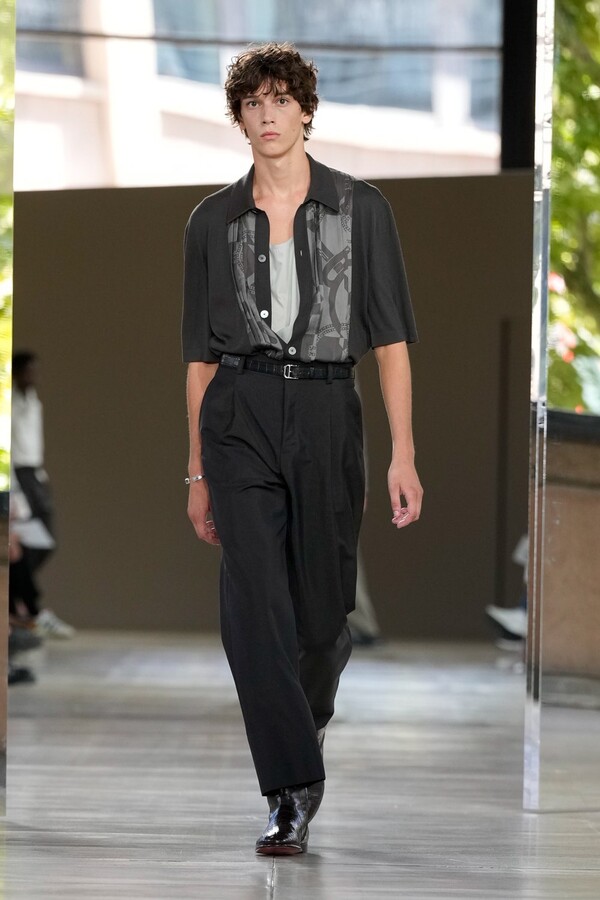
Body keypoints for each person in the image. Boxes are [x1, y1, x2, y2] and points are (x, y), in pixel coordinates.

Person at [182, 42, 422, 855]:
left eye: (281, 100)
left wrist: (402, 454)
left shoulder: (362, 208)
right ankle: (288, 789)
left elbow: (391, 341)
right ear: (239, 118)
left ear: (307, 111)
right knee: (253, 604)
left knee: (322, 621)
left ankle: (302, 730)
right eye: (253, 103)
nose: (268, 116)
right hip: (238, 413)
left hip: (326, 411)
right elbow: (198, 358)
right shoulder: (211, 222)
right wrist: (196, 471)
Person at [11, 351, 75, 639]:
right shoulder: (9, 402)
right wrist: (16, 490)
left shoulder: (32, 400)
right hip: (19, 475)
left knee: (42, 542)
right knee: (21, 543)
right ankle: (23, 606)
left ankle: (20, 601)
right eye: (27, 371)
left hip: (34, 474)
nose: (32, 376)